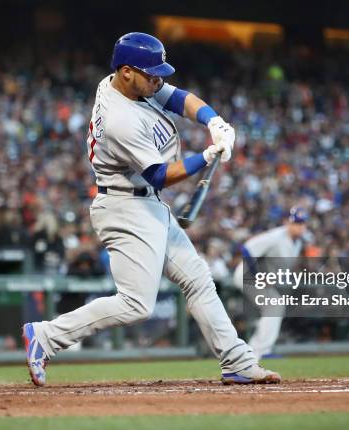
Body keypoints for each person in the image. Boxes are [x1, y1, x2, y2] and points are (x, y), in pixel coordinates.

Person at [22, 32, 280, 386]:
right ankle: (46, 336)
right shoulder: (119, 119)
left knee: (198, 280)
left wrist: (213, 121)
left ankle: (237, 361)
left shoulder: (128, 82)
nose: (158, 79)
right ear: (126, 71)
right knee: (136, 304)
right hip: (125, 205)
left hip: (144, 204)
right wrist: (205, 157)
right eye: (151, 73)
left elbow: (177, 98)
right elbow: (159, 175)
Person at [233, 207, 308, 359]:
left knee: (275, 307)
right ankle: (259, 351)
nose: (299, 227)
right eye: (296, 223)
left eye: (302, 224)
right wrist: (259, 276)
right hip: (247, 275)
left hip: (261, 279)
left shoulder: (298, 242)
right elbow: (247, 249)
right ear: (288, 222)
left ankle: (256, 352)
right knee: (274, 306)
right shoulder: (276, 236)